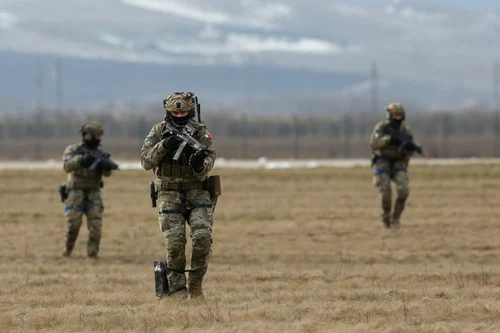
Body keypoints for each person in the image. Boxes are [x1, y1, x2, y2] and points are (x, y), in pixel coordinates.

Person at [141, 92, 216, 298]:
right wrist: (164, 146)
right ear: (169, 110)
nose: (180, 115)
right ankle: (177, 290)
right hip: (169, 193)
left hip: (197, 192)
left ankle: (196, 285)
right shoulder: (159, 131)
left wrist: (199, 164)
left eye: (184, 111)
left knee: (202, 238)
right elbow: (146, 161)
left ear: (190, 110)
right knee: (175, 244)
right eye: (176, 111)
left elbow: (210, 157)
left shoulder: (200, 132)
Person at [61, 121, 117, 258]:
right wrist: (81, 159)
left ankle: (92, 254)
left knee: (95, 226)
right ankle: (68, 249)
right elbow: (66, 167)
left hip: (93, 192)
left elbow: (107, 174)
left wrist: (104, 166)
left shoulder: (100, 153)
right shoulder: (73, 150)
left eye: (99, 136)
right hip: (75, 191)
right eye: (96, 136)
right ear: (87, 135)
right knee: (73, 224)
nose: (98, 139)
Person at [369, 102, 422, 229]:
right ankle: (386, 220)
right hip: (383, 161)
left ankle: (396, 218)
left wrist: (410, 147)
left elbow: (409, 149)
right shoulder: (381, 127)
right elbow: (373, 144)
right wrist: (388, 139)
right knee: (386, 193)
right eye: (395, 116)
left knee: (403, 190)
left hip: (398, 162)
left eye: (400, 116)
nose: (398, 118)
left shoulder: (404, 130)